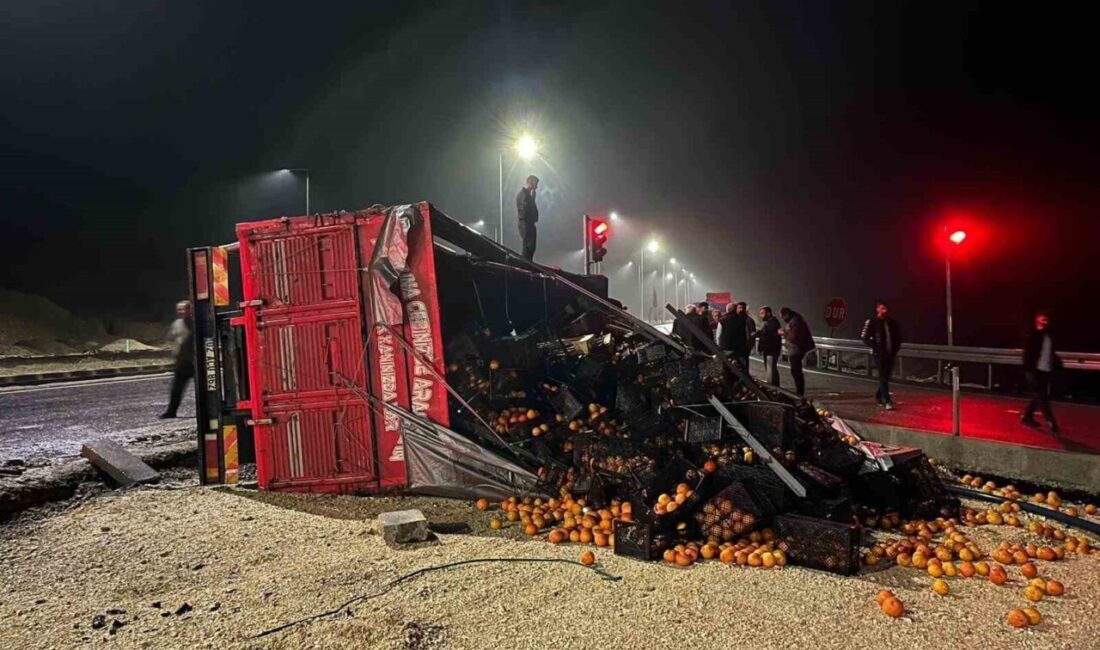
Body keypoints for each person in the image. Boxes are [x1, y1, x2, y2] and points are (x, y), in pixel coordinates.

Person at [1021, 311, 1061, 433]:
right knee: (1042, 396)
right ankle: (1052, 422)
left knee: (1039, 395)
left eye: (1047, 319)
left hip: (1046, 369)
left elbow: (1051, 353)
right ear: (1037, 320)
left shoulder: (1048, 335)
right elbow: (1027, 354)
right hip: (1035, 370)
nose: (1045, 321)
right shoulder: (1033, 335)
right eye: (1043, 319)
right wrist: (1028, 370)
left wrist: (1057, 365)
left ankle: (1027, 416)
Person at [860, 300, 902, 410]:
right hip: (879, 354)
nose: (885, 311)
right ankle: (886, 400)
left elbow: (898, 337)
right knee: (883, 376)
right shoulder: (872, 322)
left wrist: (895, 349)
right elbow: (864, 337)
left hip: (890, 353)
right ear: (877, 309)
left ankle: (879, 395)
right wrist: (874, 346)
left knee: (886, 377)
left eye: (886, 308)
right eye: (882, 308)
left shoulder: (892, 323)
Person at [161, 300, 195, 419]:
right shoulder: (177, 323)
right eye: (179, 309)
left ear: (190, 310)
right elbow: (171, 338)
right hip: (182, 362)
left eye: (183, 309)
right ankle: (171, 412)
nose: (180, 312)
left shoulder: (197, 323)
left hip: (196, 361)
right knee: (176, 389)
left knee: (204, 390)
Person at [778, 307, 814, 396]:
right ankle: (799, 392)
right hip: (796, 349)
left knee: (796, 371)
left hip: (797, 349)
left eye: (782, 316)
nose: (782, 319)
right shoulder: (793, 320)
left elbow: (793, 336)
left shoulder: (795, 321)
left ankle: (799, 393)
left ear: (786, 314)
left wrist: (784, 333)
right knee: (795, 371)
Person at [717, 302, 751, 369]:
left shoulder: (722, 320)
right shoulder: (743, 320)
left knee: (727, 368)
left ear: (727, 310)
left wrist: (719, 347)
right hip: (740, 349)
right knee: (741, 369)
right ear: (736, 309)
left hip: (726, 348)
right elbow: (747, 335)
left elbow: (718, 336)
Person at [754, 306, 782, 386]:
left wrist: (761, 346)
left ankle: (773, 388)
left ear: (768, 313)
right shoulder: (770, 322)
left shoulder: (772, 322)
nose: (760, 315)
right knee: (771, 369)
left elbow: (768, 336)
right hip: (770, 350)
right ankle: (775, 386)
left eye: (762, 313)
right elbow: (764, 332)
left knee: (771, 370)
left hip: (771, 350)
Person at [515, 175, 539, 260]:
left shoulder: (527, 195)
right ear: (530, 183)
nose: (536, 187)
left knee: (531, 247)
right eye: (535, 184)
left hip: (529, 223)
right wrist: (532, 198)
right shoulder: (524, 195)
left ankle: (528, 263)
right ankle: (525, 264)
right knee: (528, 246)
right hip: (526, 223)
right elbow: (526, 210)